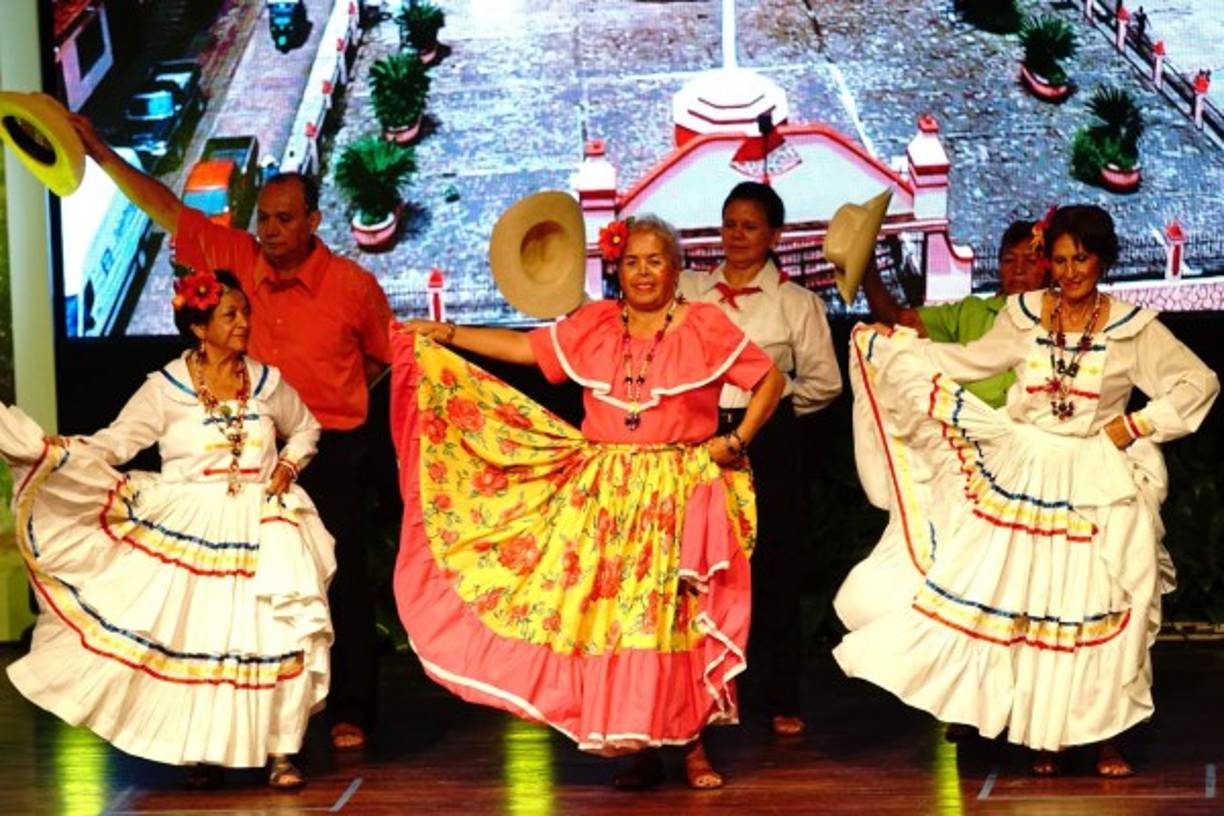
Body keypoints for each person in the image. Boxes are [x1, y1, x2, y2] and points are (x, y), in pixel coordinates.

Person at [394, 215, 785, 789]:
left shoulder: (704, 325)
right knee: (621, 620)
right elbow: (525, 348)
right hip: (606, 493)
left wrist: (736, 440)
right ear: (618, 270)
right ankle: (640, 745)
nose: (643, 272)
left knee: (675, 618)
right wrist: (446, 335)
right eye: (632, 262)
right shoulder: (597, 324)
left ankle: (694, 748)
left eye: (655, 260)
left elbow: (769, 380)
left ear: (676, 269)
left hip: (678, 488)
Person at [834, 205, 1218, 776]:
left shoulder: (1132, 327)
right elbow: (970, 360)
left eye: (1081, 259)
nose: (1069, 271)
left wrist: (1133, 425)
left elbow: (1198, 382)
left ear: (1103, 260)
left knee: (1102, 603)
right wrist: (896, 350)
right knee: (1035, 604)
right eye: (1060, 260)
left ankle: (1105, 734)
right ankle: (1048, 734)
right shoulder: (1024, 315)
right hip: (1028, 464)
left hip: (1094, 473)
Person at [71, 115, 392, 751]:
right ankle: (265, 722)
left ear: (312, 221)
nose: (269, 232)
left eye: (283, 220)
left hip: (329, 451)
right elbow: (167, 208)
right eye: (263, 220)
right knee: (251, 589)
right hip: (253, 455)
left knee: (340, 581)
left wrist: (335, 406)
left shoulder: (352, 286)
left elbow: (382, 358)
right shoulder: (238, 259)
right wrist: (101, 150)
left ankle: (350, 708)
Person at [3, 270, 334, 789]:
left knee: (269, 633)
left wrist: (288, 465)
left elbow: (307, 426)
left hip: (264, 520)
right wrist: (65, 452)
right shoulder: (166, 388)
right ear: (201, 327)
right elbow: (118, 442)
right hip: (191, 523)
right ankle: (202, 751)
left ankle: (281, 754)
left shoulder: (267, 381)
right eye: (231, 315)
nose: (244, 323)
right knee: (198, 635)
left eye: (245, 312)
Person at [677, 182, 841, 736]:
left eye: (749, 226)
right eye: (729, 224)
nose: (737, 236)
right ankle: (701, 691)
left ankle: (780, 696)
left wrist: (773, 403)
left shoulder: (796, 303)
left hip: (767, 438)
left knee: (772, 565)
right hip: (699, 437)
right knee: (699, 564)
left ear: (774, 235)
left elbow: (825, 383)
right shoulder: (691, 291)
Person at [861, 219, 1046, 409]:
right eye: (1009, 260)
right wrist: (865, 265)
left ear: (1049, 268)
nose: (1018, 270)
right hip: (969, 427)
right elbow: (899, 320)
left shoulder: (1060, 317)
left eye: (1031, 261)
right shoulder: (971, 311)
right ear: (999, 266)